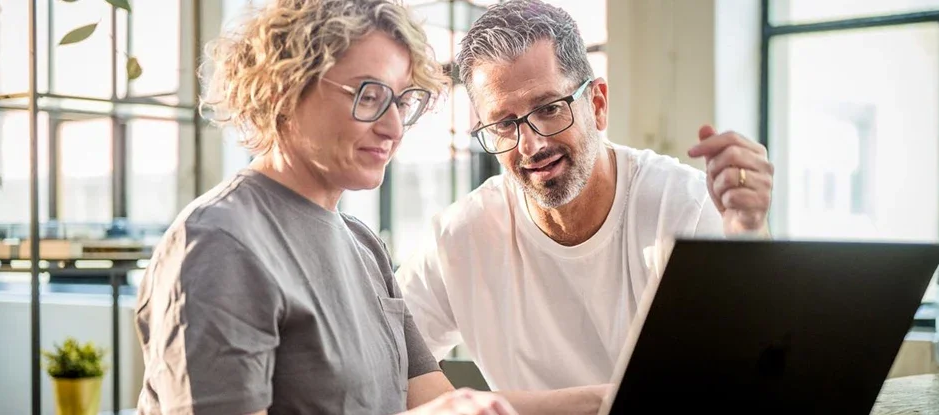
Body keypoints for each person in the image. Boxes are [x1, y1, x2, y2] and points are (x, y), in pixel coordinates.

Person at [133, 1, 517, 414]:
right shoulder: (219, 244)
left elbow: (438, 402)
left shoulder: (363, 245)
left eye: (403, 103)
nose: (392, 128)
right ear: (284, 89)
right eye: (369, 96)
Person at [395, 0, 776, 413]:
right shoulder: (459, 237)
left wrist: (749, 232)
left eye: (548, 108)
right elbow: (380, 373)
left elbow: (756, 377)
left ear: (596, 104)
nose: (532, 145)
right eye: (505, 124)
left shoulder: (681, 207)